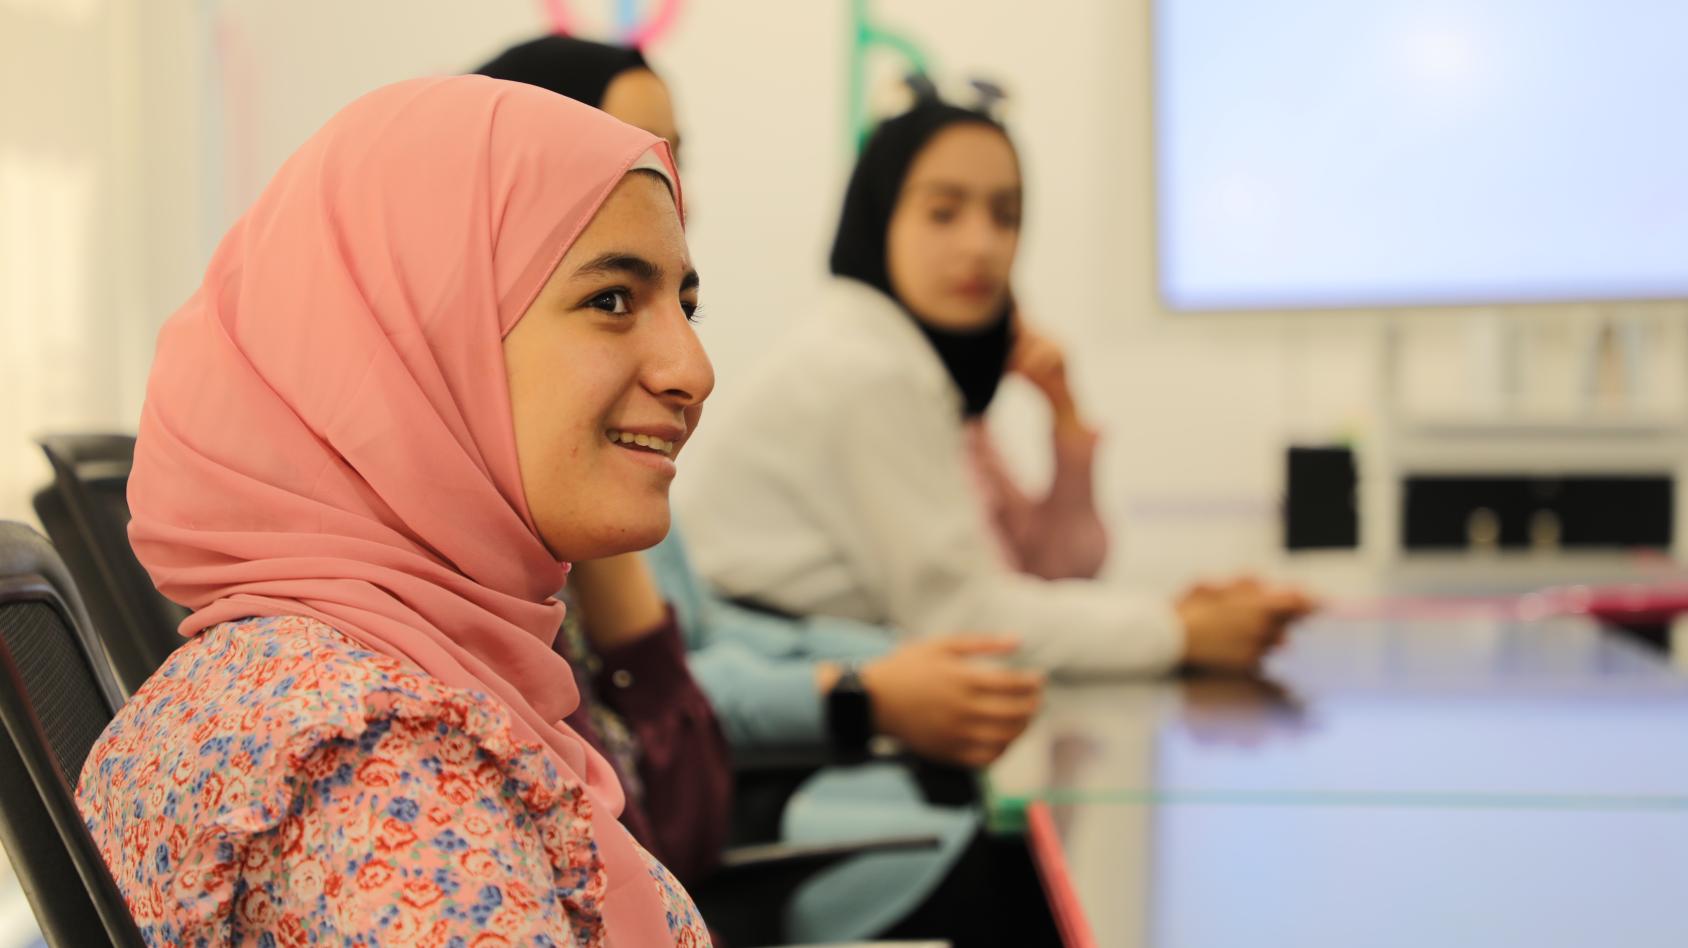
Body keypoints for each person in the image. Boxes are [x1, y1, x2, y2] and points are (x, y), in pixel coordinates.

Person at [77, 75, 712, 945]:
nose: (692, 368)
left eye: (686, 304)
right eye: (611, 301)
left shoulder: (312, 674)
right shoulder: (385, 765)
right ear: (421, 334)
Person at [678, 92, 1313, 677]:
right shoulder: (866, 370)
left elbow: (1038, 572)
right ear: (879, 215)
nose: (981, 245)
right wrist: (1175, 631)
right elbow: (964, 618)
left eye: (1005, 216)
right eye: (943, 212)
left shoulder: (925, 371)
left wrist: (1174, 613)